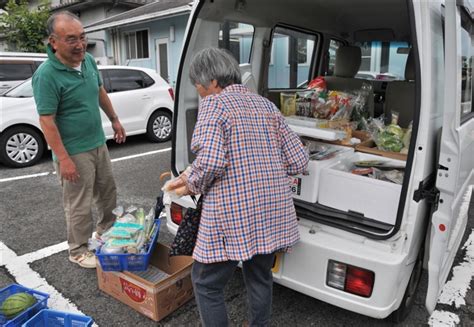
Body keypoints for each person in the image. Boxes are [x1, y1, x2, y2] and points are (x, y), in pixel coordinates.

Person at [166, 48, 309, 326]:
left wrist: (190, 183)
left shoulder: (214, 105)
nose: (198, 90)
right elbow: (299, 160)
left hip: (234, 215)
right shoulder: (266, 105)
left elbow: (211, 162)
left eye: (197, 84)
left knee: (206, 282)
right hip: (273, 210)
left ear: (211, 82)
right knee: (260, 275)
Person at [32, 11, 126, 269]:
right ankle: (78, 249)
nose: (80, 44)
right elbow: (47, 120)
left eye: (82, 37)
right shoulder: (47, 74)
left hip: (97, 142)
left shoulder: (88, 62)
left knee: (108, 192)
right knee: (78, 204)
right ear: (53, 42)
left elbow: (99, 91)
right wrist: (64, 159)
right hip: (73, 151)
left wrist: (114, 119)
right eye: (71, 39)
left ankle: (105, 231)